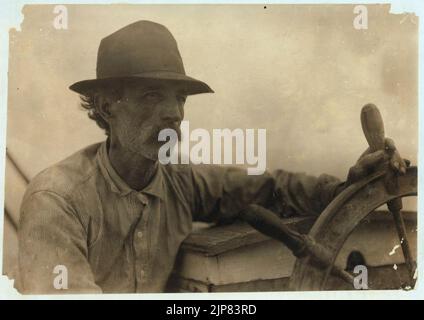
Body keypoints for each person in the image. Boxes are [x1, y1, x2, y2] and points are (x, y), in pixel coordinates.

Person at [17, 20, 405, 293]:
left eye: (180, 98)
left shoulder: (180, 183)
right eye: (152, 95)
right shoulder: (56, 201)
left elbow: (272, 191)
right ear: (105, 106)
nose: (174, 113)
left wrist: (351, 186)